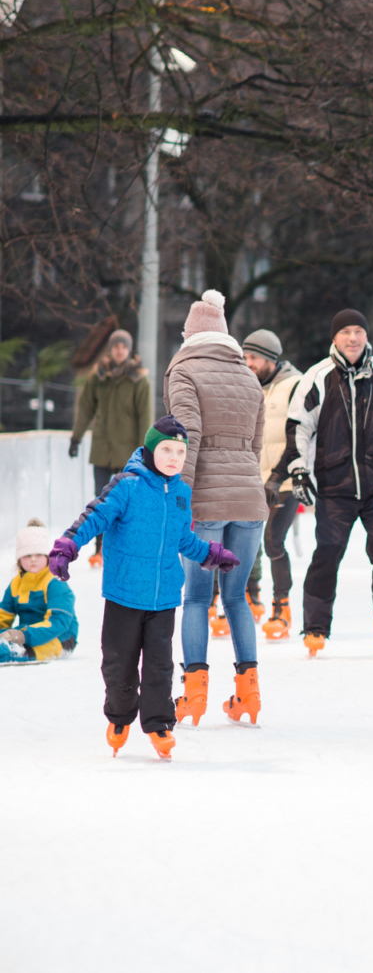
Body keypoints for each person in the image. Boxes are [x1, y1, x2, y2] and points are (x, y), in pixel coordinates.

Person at [49, 415, 238, 759]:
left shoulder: (181, 493)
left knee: (160, 667)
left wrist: (212, 554)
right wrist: (68, 546)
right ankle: (120, 716)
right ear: (150, 450)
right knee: (118, 664)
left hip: (164, 599)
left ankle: (159, 723)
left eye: (180, 452)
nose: (174, 458)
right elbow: (94, 517)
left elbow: (183, 540)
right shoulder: (126, 486)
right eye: (166, 450)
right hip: (124, 594)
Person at [273, 308, 373, 657]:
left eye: (358, 331)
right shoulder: (318, 377)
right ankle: (316, 627)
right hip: (335, 485)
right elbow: (298, 427)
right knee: (328, 551)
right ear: (334, 338)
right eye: (345, 332)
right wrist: (299, 470)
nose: (353, 338)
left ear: (366, 336)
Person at [164, 290, 268, 728]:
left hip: (206, 498)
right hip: (249, 499)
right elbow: (256, 446)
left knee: (196, 597)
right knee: (237, 596)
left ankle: (194, 693)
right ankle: (249, 692)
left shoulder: (184, 371)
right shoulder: (248, 376)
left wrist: (180, 496)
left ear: (190, 334)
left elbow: (185, 437)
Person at [68, 328, 151, 568]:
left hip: (128, 453)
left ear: (129, 350)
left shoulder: (139, 379)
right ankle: (99, 549)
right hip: (103, 449)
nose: (119, 351)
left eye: (124, 347)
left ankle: (124, 548)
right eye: (116, 346)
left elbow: (145, 418)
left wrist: (145, 453)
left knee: (126, 501)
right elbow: (86, 407)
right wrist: (76, 437)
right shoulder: (99, 376)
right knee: (100, 499)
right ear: (110, 349)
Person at [241, 329, 302, 638]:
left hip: (286, 481)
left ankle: (282, 607)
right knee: (247, 539)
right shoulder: (245, 386)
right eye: (245, 357)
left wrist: (279, 477)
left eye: (253, 357)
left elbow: (299, 436)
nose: (248, 363)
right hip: (252, 479)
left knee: (273, 540)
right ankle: (252, 598)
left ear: (270, 358)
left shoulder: (295, 385)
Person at [0, 520, 78, 664]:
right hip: (26, 634)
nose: (33, 559)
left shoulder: (55, 582)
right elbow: (3, 616)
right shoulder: (16, 583)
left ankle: (16, 651)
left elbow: (59, 622)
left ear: (47, 557)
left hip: (58, 638)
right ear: (19, 559)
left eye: (38, 554)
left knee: (7, 651)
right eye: (27, 555)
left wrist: (23, 635)